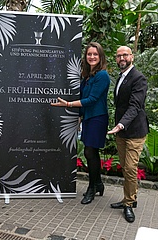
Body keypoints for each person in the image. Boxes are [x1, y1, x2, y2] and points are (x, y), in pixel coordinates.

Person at [51, 42, 110, 205]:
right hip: (88, 118)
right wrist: (79, 117)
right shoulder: (87, 75)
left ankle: (92, 188)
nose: (92, 57)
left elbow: (91, 100)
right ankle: (97, 183)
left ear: (100, 57)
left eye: (95, 54)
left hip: (97, 118)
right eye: (89, 54)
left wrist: (68, 105)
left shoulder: (102, 76)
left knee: (91, 151)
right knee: (90, 153)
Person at [107, 46, 149, 223]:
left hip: (134, 132)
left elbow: (135, 106)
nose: (121, 58)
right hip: (121, 131)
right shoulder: (121, 77)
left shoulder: (139, 78)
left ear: (132, 56)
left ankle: (129, 204)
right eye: (118, 56)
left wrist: (121, 124)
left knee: (131, 168)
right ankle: (129, 198)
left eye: (125, 55)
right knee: (125, 167)